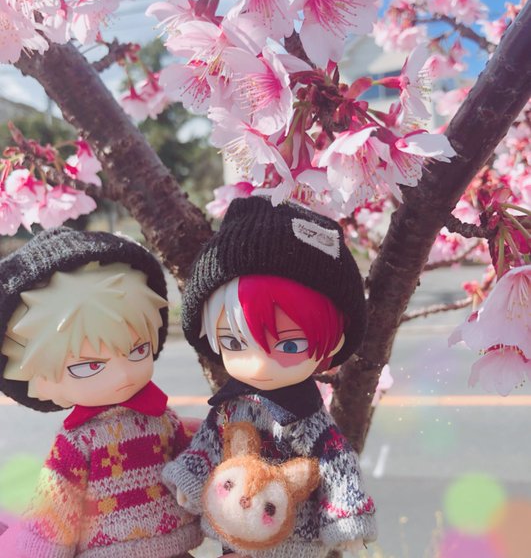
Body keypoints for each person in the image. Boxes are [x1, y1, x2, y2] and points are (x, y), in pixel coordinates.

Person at [163, 196, 377, 558]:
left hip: (293, 539)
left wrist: (346, 520)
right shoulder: (231, 408)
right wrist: (191, 480)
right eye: (234, 342)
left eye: (289, 345)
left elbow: (337, 466)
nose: (258, 364)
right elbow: (207, 443)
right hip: (233, 529)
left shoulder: (308, 420)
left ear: (334, 342)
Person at [0, 227, 203, 558]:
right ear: (42, 381)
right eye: (89, 366)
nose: (123, 374)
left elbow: (190, 464)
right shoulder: (78, 442)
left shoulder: (162, 419)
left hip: (174, 544)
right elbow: (58, 504)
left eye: (138, 350)